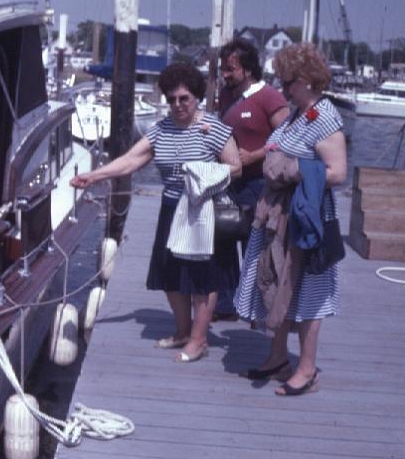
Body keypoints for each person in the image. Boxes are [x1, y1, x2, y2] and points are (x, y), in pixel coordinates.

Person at [71, 63, 242, 362]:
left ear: (197, 98)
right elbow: (130, 161)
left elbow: (236, 167)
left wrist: (200, 173)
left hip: (202, 211)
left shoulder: (213, 128)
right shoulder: (161, 129)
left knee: (203, 278)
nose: (177, 105)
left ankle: (199, 340)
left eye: (184, 98)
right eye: (172, 99)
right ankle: (182, 331)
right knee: (170, 274)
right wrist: (94, 176)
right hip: (171, 207)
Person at [234, 42, 347, 395]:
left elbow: (338, 172)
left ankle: (308, 370)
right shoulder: (300, 113)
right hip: (277, 216)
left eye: (288, 82)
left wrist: (291, 170)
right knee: (273, 281)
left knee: (308, 294)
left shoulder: (325, 118)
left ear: (309, 80)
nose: (283, 89)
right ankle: (278, 356)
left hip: (306, 221)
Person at [213, 39, 290, 321]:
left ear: (247, 69)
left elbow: (287, 139)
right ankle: (225, 304)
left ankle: (254, 307)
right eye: (223, 68)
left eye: (230, 69)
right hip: (229, 183)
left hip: (258, 185)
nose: (225, 74)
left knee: (254, 247)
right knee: (221, 240)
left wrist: (254, 156)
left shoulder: (270, 97)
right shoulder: (227, 95)